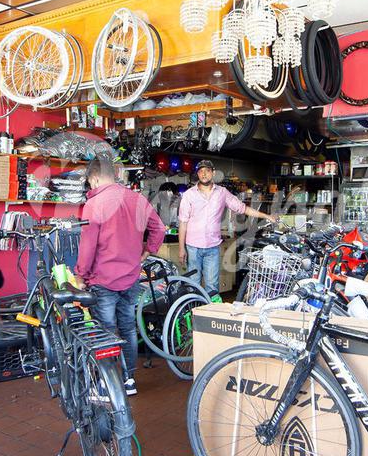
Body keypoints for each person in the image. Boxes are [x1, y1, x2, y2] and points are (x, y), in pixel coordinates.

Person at [76, 157, 166, 395]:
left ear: (95, 178)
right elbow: (159, 228)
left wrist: (80, 276)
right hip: (130, 277)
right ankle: (129, 381)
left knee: (105, 331)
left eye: (90, 183)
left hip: (102, 279)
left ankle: (106, 385)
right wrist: (148, 250)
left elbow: (88, 245)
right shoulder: (136, 199)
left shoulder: (94, 204)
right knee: (127, 328)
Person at [178, 160, 277, 296]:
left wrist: (266, 216)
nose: (204, 174)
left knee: (212, 286)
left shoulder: (222, 193)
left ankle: (211, 310)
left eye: (207, 171)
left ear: (213, 173)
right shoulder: (189, 194)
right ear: (198, 174)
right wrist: (181, 248)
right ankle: (194, 309)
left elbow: (242, 208)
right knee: (193, 285)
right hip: (193, 247)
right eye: (201, 171)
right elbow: (183, 222)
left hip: (212, 247)